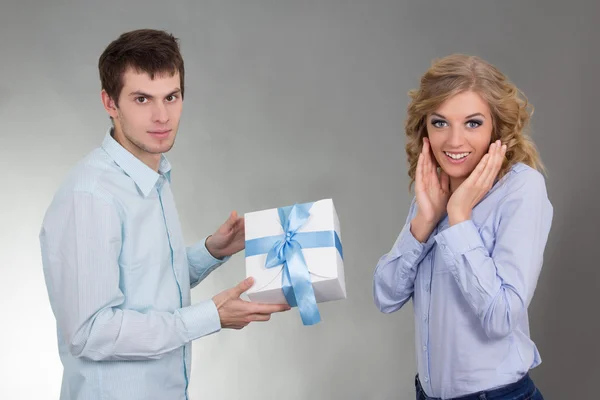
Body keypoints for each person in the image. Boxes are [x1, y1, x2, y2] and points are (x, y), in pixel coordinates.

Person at [39, 29, 290, 400]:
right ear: (110, 103)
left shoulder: (152, 177)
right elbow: (89, 332)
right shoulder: (92, 196)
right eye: (142, 99)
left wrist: (212, 250)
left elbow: (145, 287)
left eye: (171, 97)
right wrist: (209, 317)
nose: (161, 116)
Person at [372, 54, 552, 400]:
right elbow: (385, 296)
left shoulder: (521, 188)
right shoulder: (434, 189)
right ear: (424, 127)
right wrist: (425, 221)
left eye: (472, 123)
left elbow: (501, 317)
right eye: (440, 123)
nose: (454, 142)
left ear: (496, 128)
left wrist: (458, 218)